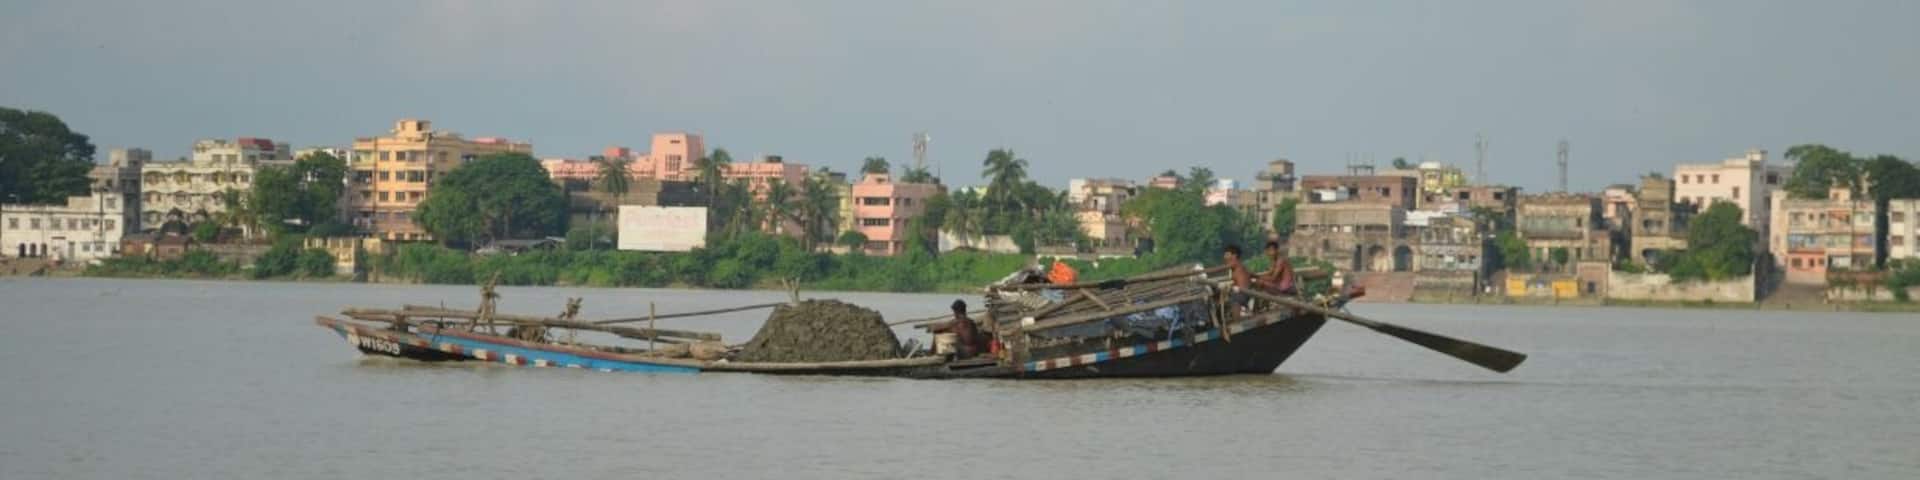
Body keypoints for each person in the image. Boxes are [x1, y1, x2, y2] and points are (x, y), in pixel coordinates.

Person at [1223, 244, 1254, 310]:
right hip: (1245, 292)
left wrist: (1199, 272)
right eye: (1225, 255)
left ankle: (1238, 318)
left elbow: (1216, 269)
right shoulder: (1239, 265)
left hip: (1242, 293)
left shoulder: (1234, 263)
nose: (1225, 257)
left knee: (1233, 299)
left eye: (1227, 255)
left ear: (1234, 256)